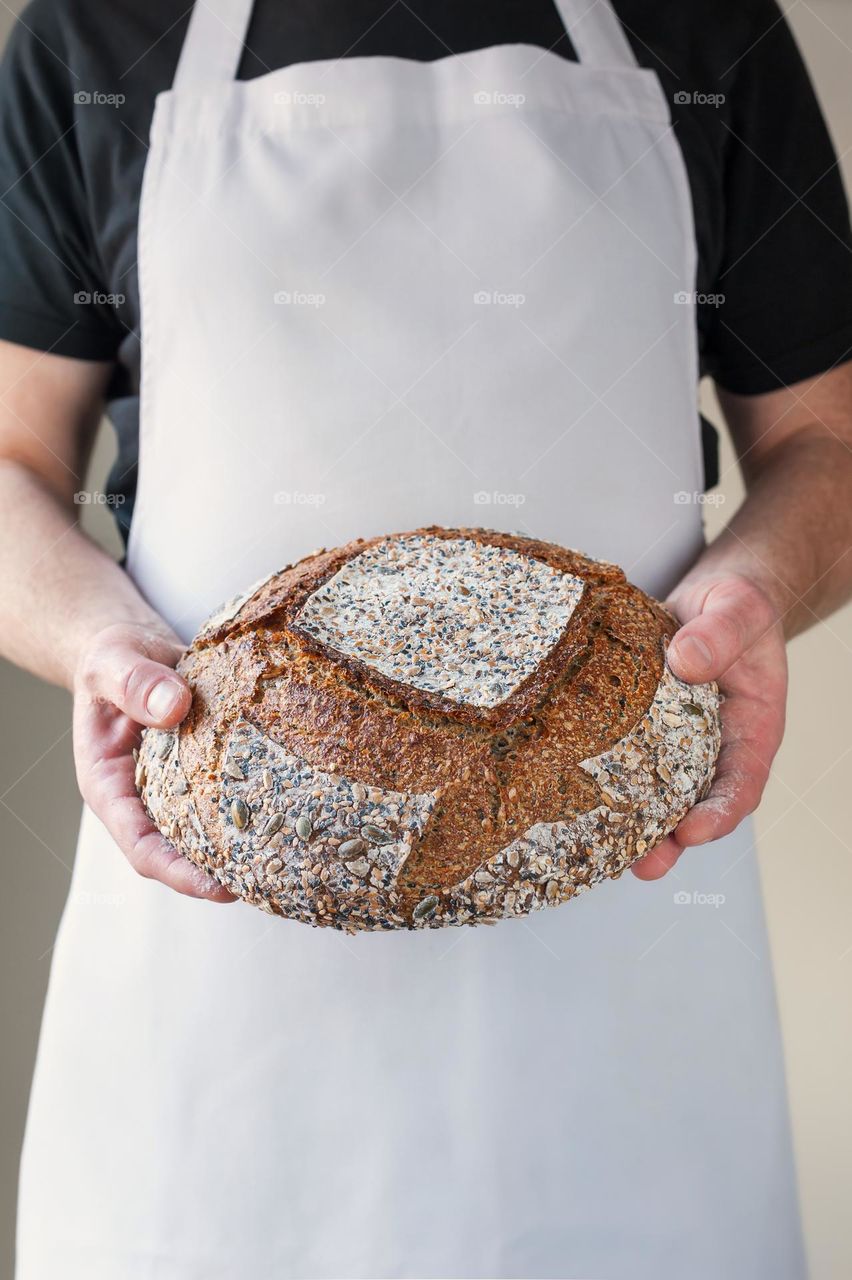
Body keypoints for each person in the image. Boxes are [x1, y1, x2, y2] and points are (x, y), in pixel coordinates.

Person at [1, 0, 851, 1276]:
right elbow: (11, 457)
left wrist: (751, 597)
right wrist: (96, 638)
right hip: (207, 946)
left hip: (635, 899)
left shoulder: (704, 22)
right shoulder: (93, 35)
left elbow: (823, 444)